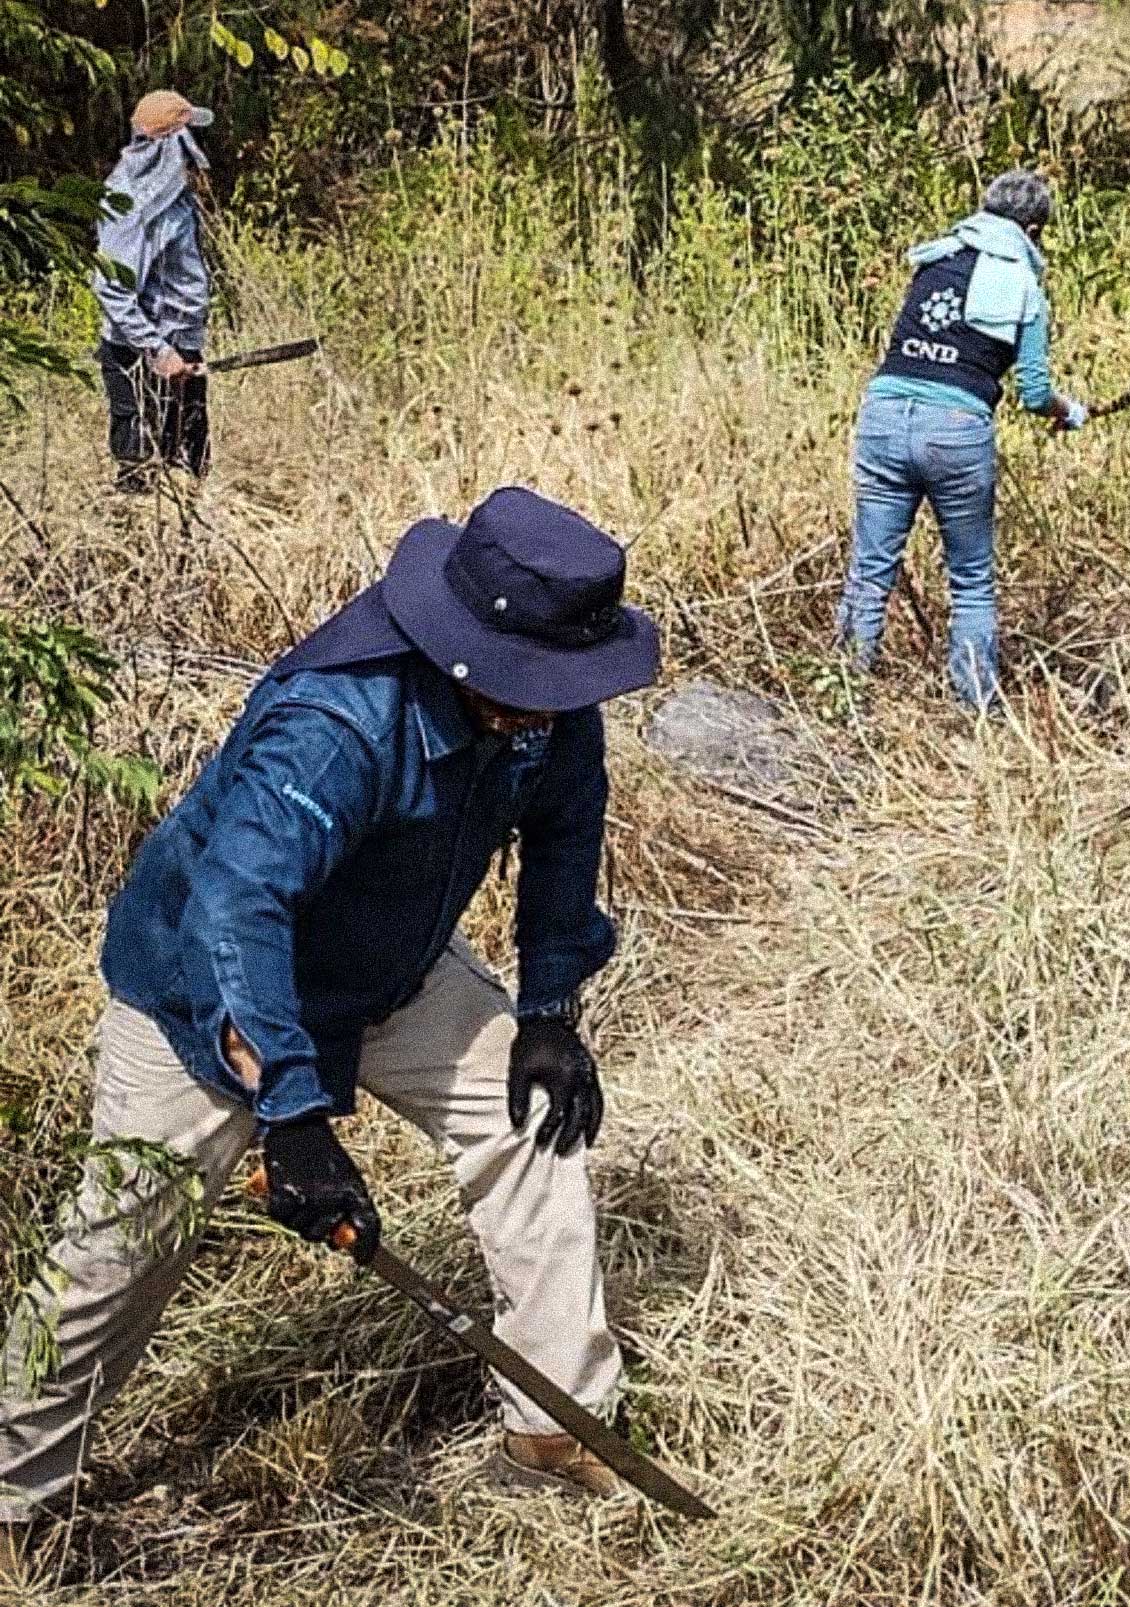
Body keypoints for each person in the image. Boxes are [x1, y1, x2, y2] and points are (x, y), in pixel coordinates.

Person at [0, 487, 661, 1585]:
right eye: (531, 689)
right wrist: (295, 1111)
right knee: (122, 1247)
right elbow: (234, 908)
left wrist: (548, 1009)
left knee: (532, 1122)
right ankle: (14, 1488)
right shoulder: (338, 721)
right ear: (467, 649)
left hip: (389, 970)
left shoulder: (542, 699)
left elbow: (565, 830)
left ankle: (558, 1420)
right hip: (205, 997)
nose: (550, 708)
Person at [837, 169, 1088, 712]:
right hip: (955, 431)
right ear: (1034, 229)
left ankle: (844, 699)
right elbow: (1034, 390)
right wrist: (1070, 413)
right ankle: (976, 708)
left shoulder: (933, 260)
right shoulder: (1025, 287)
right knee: (971, 580)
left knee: (870, 567)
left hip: (882, 414)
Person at [93, 91, 217, 492]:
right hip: (138, 354)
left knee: (189, 465)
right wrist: (158, 350)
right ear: (165, 144)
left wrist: (182, 347)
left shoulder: (177, 197)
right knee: (141, 474)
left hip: (181, 345)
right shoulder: (125, 205)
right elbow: (112, 291)